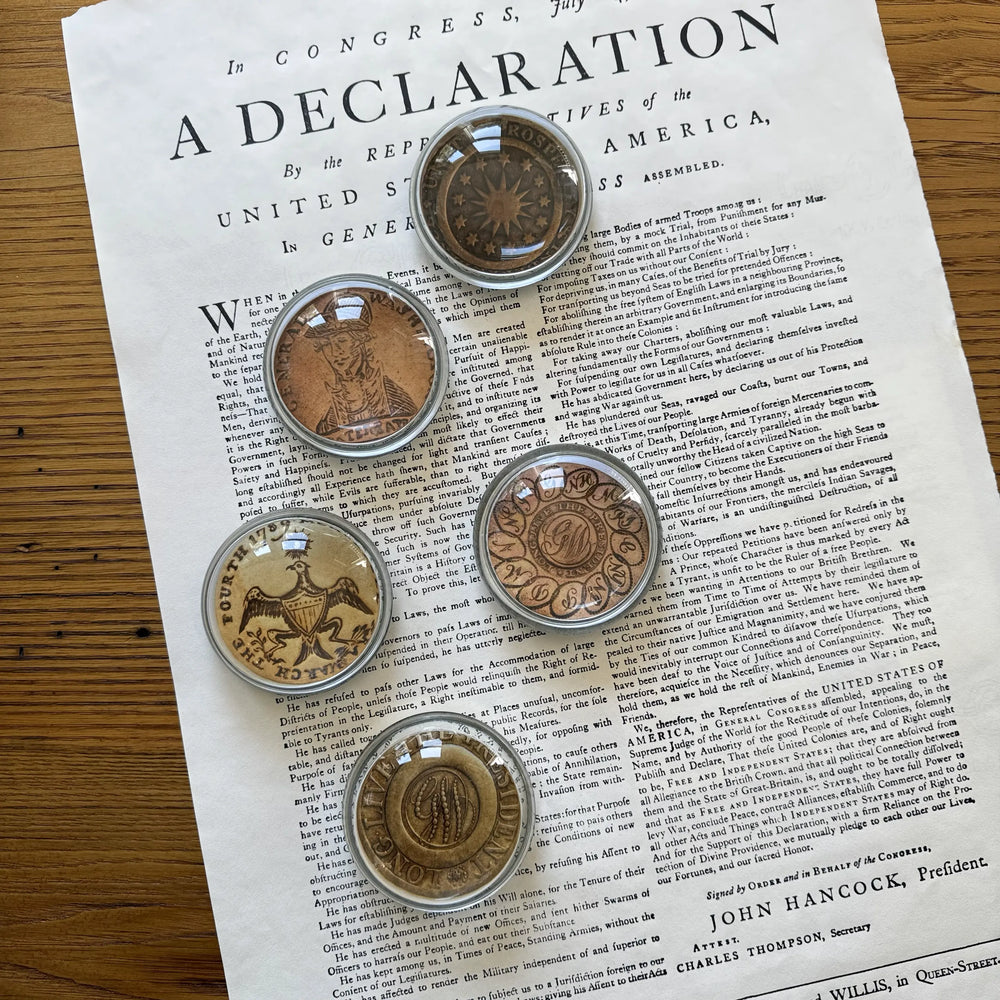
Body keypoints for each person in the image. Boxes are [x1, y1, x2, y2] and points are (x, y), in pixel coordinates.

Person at [305, 292, 416, 437]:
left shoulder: (398, 402)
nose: (334, 352)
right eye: (326, 344)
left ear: (360, 341)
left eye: (342, 341)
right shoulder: (327, 424)